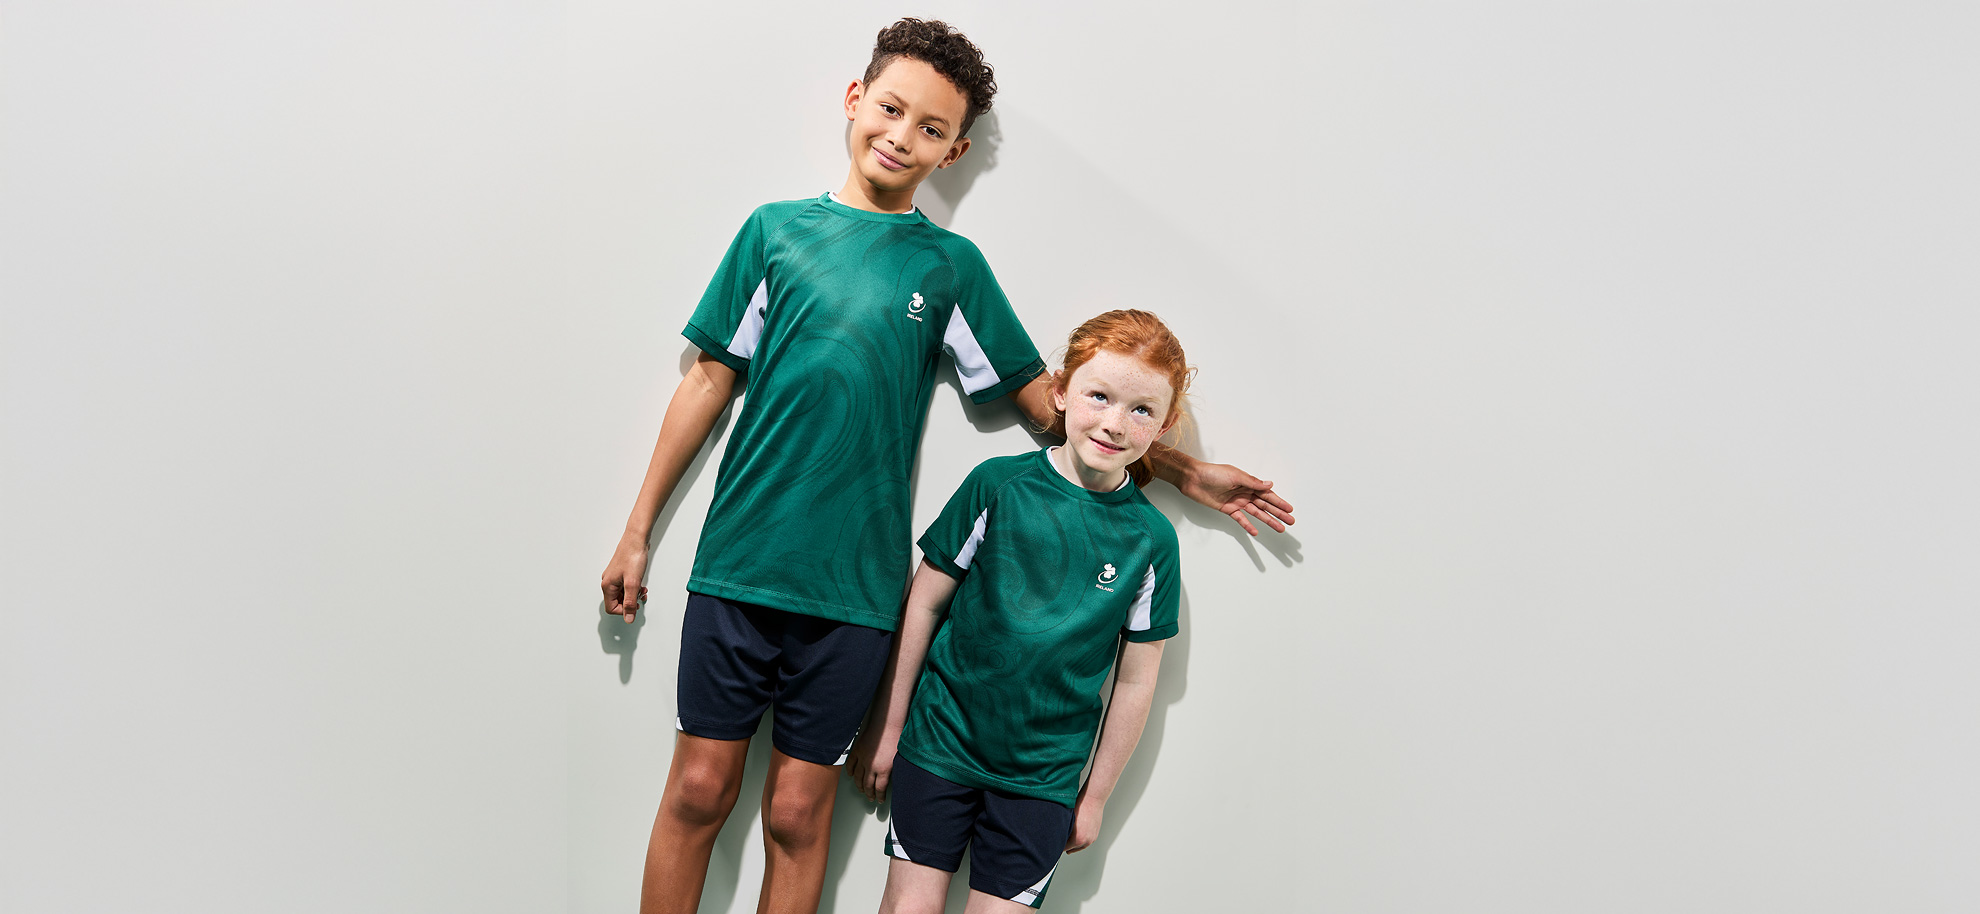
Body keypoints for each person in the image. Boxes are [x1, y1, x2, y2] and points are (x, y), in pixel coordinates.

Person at [598, 20, 1293, 914]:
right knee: (699, 790)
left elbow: (1056, 407)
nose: (902, 136)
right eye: (891, 109)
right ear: (856, 100)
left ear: (954, 150)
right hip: (740, 564)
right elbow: (705, 383)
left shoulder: (950, 267)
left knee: (798, 813)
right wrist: (637, 532)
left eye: (931, 128)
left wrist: (1186, 473)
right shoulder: (774, 233)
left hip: (855, 596)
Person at [848, 310, 1194, 913]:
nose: (1115, 423)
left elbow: (1137, 681)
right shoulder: (996, 485)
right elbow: (924, 602)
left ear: (1163, 426)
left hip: (1043, 778)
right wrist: (890, 725)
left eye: (1141, 410)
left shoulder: (1151, 541)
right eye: (1099, 396)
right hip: (940, 745)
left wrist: (1096, 796)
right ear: (1060, 391)